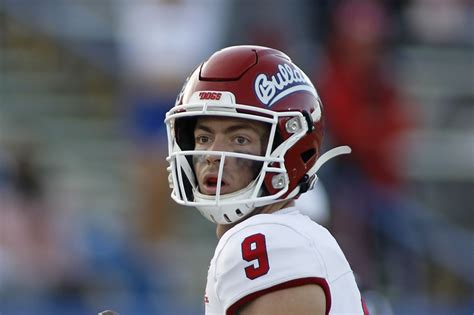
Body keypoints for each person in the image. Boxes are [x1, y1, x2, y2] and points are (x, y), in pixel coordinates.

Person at [164, 45, 368, 314]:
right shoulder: (287, 235)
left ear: (287, 151)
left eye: (239, 139)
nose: (212, 155)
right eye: (204, 138)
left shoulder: (268, 239)